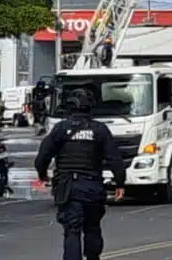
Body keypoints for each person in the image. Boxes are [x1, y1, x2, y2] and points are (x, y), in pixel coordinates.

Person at [35, 89, 127, 260]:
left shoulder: (61, 129)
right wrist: (120, 183)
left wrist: (42, 175)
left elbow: (43, 156)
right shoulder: (99, 129)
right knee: (92, 226)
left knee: (72, 230)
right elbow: (115, 158)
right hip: (93, 186)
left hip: (68, 187)